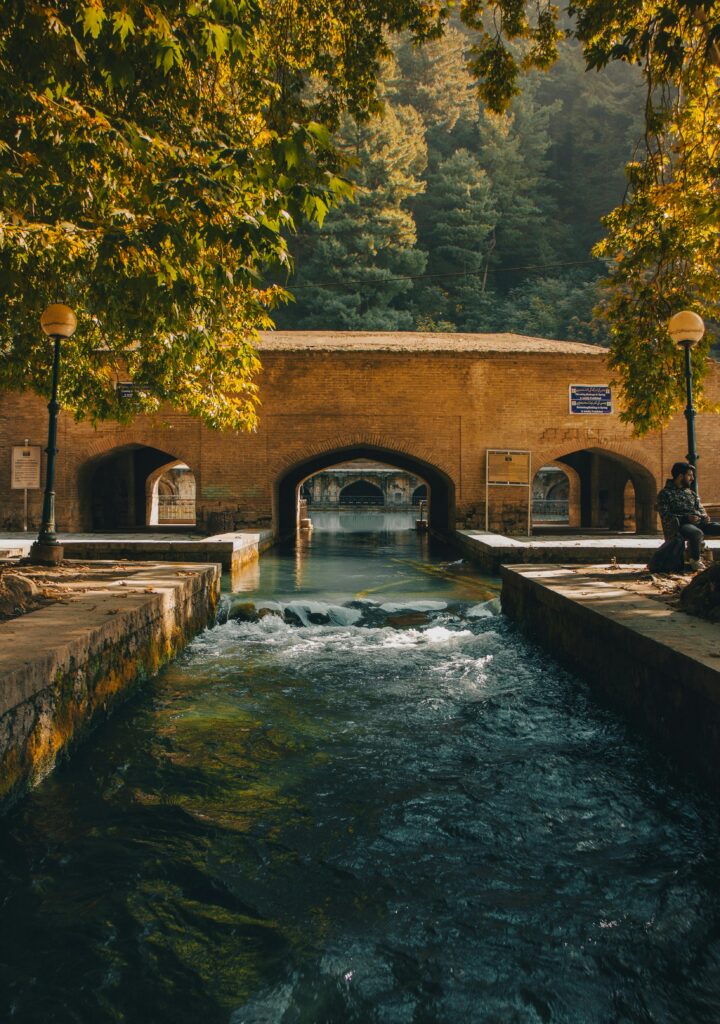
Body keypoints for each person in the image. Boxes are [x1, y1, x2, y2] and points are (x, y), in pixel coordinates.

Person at [655, 462, 720, 571]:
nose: (692, 478)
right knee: (695, 533)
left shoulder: (691, 493)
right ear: (680, 476)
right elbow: (666, 515)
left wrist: (703, 516)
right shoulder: (665, 494)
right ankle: (695, 560)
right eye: (689, 475)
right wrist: (686, 518)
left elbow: (701, 509)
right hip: (682, 525)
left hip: (699, 523)